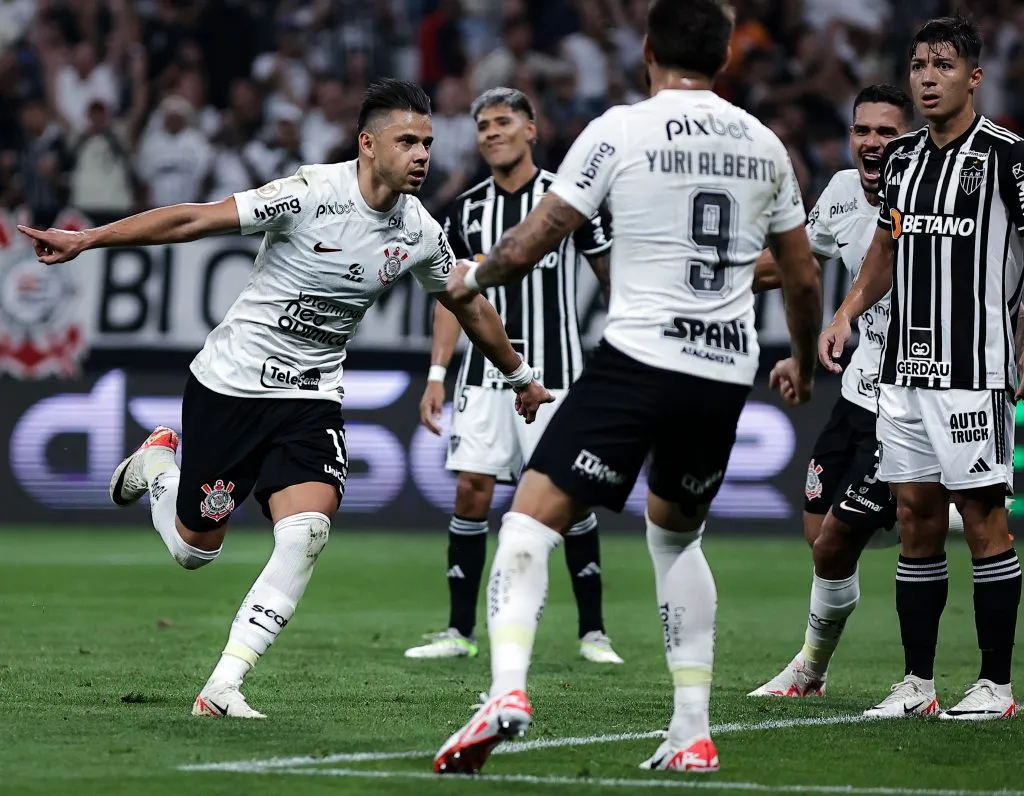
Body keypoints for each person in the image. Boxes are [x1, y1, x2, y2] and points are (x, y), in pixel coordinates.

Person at [18, 78, 552, 719]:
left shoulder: (417, 231)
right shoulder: (309, 194)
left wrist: (519, 375)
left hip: (312, 398)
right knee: (194, 550)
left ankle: (222, 686)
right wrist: (87, 239)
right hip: (231, 386)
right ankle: (159, 464)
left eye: (428, 143)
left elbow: (467, 304)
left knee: (305, 533)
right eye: (406, 140)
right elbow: (195, 218)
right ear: (367, 144)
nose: (421, 155)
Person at [433, 0, 823, 774]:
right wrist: (806, 364)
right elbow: (803, 274)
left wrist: (473, 274)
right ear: (725, 57)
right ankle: (691, 729)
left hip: (637, 357)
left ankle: (506, 691)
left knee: (530, 522)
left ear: (647, 50)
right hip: (722, 367)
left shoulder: (618, 128)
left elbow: (539, 233)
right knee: (676, 534)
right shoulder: (765, 143)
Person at [819, 12, 1024, 720]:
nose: (927, 77)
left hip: (976, 370)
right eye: (918, 66)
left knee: (985, 516)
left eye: (942, 65)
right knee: (915, 518)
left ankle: (995, 684)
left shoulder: (1008, 157)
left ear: (974, 76)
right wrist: (846, 311)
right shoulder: (903, 159)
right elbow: (884, 249)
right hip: (904, 373)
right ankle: (918, 684)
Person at [405, 87, 623, 666]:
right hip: (482, 377)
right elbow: (450, 296)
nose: (491, 132)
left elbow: (611, 278)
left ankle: (593, 632)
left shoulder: (568, 199)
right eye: (482, 125)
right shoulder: (467, 208)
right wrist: (436, 373)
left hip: (558, 373)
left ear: (532, 129)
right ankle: (458, 630)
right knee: (471, 491)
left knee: (569, 500)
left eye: (503, 121)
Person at [746, 85, 916, 697]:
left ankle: (809, 670)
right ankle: (913, 511)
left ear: (911, 137)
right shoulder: (843, 192)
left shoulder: (931, 193)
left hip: (914, 398)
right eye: (862, 130)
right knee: (819, 534)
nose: (872, 143)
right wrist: (720, 279)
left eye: (887, 132)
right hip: (857, 398)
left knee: (839, 537)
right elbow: (796, 264)